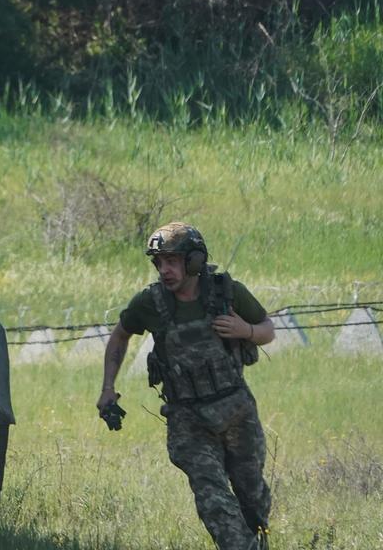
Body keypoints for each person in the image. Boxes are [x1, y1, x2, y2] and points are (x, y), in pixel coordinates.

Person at [97, 222, 275, 550]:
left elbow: (268, 329)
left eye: (172, 261)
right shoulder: (149, 303)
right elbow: (120, 336)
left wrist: (245, 330)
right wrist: (108, 388)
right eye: (158, 262)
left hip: (236, 412)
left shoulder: (226, 291)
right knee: (214, 500)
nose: (164, 270)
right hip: (189, 420)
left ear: (193, 261)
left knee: (253, 499)